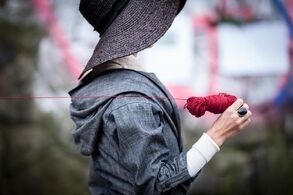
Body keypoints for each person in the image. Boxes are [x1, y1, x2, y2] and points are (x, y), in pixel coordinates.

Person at [69, 0, 252, 194]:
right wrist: (218, 134)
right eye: (146, 14)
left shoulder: (104, 77)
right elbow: (157, 186)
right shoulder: (132, 104)